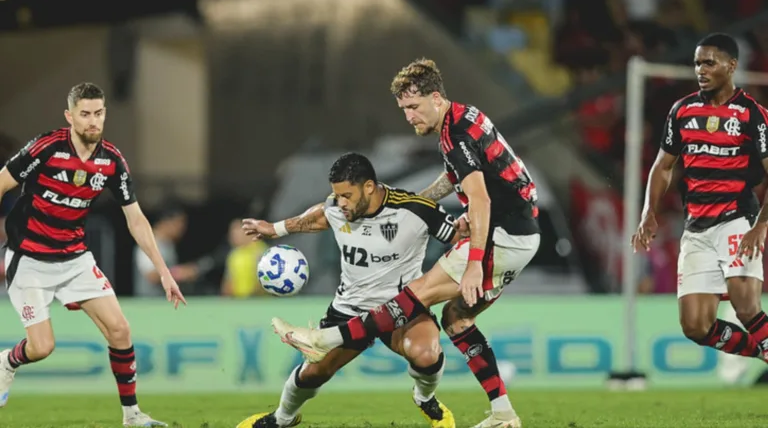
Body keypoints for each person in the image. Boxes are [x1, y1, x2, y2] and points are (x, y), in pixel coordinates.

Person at [271, 59, 541, 428]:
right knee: (457, 320)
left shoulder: (457, 135)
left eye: (414, 107)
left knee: (417, 294)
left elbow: (480, 199)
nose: (410, 117)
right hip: (520, 234)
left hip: (502, 236)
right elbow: (455, 178)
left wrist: (476, 261)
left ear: (436, 97)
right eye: (404, 110)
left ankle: (323, 338)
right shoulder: (462, 118)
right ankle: (503, 415)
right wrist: (417, 205)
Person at [0, 82, 186, 427]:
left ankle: (132, 416)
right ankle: (6, 362)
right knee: (41, 347)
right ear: (69, 116)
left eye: (98, 113)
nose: (92, 121)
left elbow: (136, 218)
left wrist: (163, 270)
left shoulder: (111, 161)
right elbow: (1, 183)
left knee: (120, 330)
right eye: (84, 114)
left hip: (74, 258)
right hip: (30, 257)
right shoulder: (46, 147)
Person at [237, 152, 463, 428]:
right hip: (349, 309)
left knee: (425, 353)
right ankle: (282, 418)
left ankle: (426, 398)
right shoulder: (337, 207)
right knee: (313, 373)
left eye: (347, 195)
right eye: (337, 195)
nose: (341, 202)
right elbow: (319, 216)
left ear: (368, 186)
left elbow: (460, 239)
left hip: (402, 307)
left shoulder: (415, 210)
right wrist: (275, 228)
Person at [631, 33, 768, 365]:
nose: (701, 70)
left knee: (746, 306)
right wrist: (648, 211)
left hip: (737, 218)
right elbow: (663, 166)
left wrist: (760, 226)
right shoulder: (682, 111)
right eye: (697, 63)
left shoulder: (752, 115)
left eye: (710, 62)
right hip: (696, 228)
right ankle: (762, 352)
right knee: (695, 325)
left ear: (731, 66)